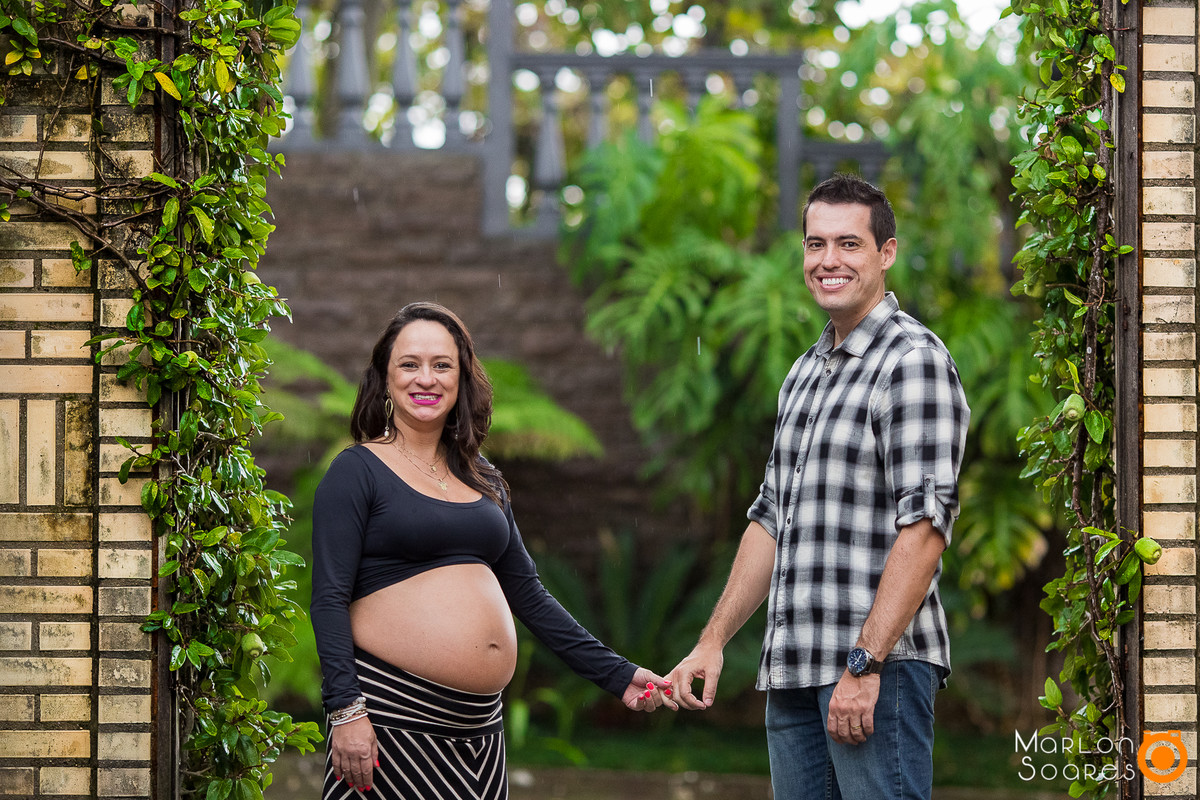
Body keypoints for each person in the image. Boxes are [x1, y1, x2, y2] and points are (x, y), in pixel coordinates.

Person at [668, 173, 970, 799]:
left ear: (886, 253)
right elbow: (771, 519)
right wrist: (712, 642)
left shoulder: (911, 361)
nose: (828, 260)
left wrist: (865, 664)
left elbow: (925, 529)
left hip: (876, 673)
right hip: (794, 670)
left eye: (848, 244)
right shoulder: (804, 373)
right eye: (815, 244)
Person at [311, 301, 671, 800]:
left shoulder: (484, 478)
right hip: (392, 720)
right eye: (409, 364)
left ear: (462, 378)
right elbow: (329, 598)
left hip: (480, 733)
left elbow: (530, 597)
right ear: (384, 377)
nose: (426, 379)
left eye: (442, 365)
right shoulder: (356, 471)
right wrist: (346, 712)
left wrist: (619, 675)